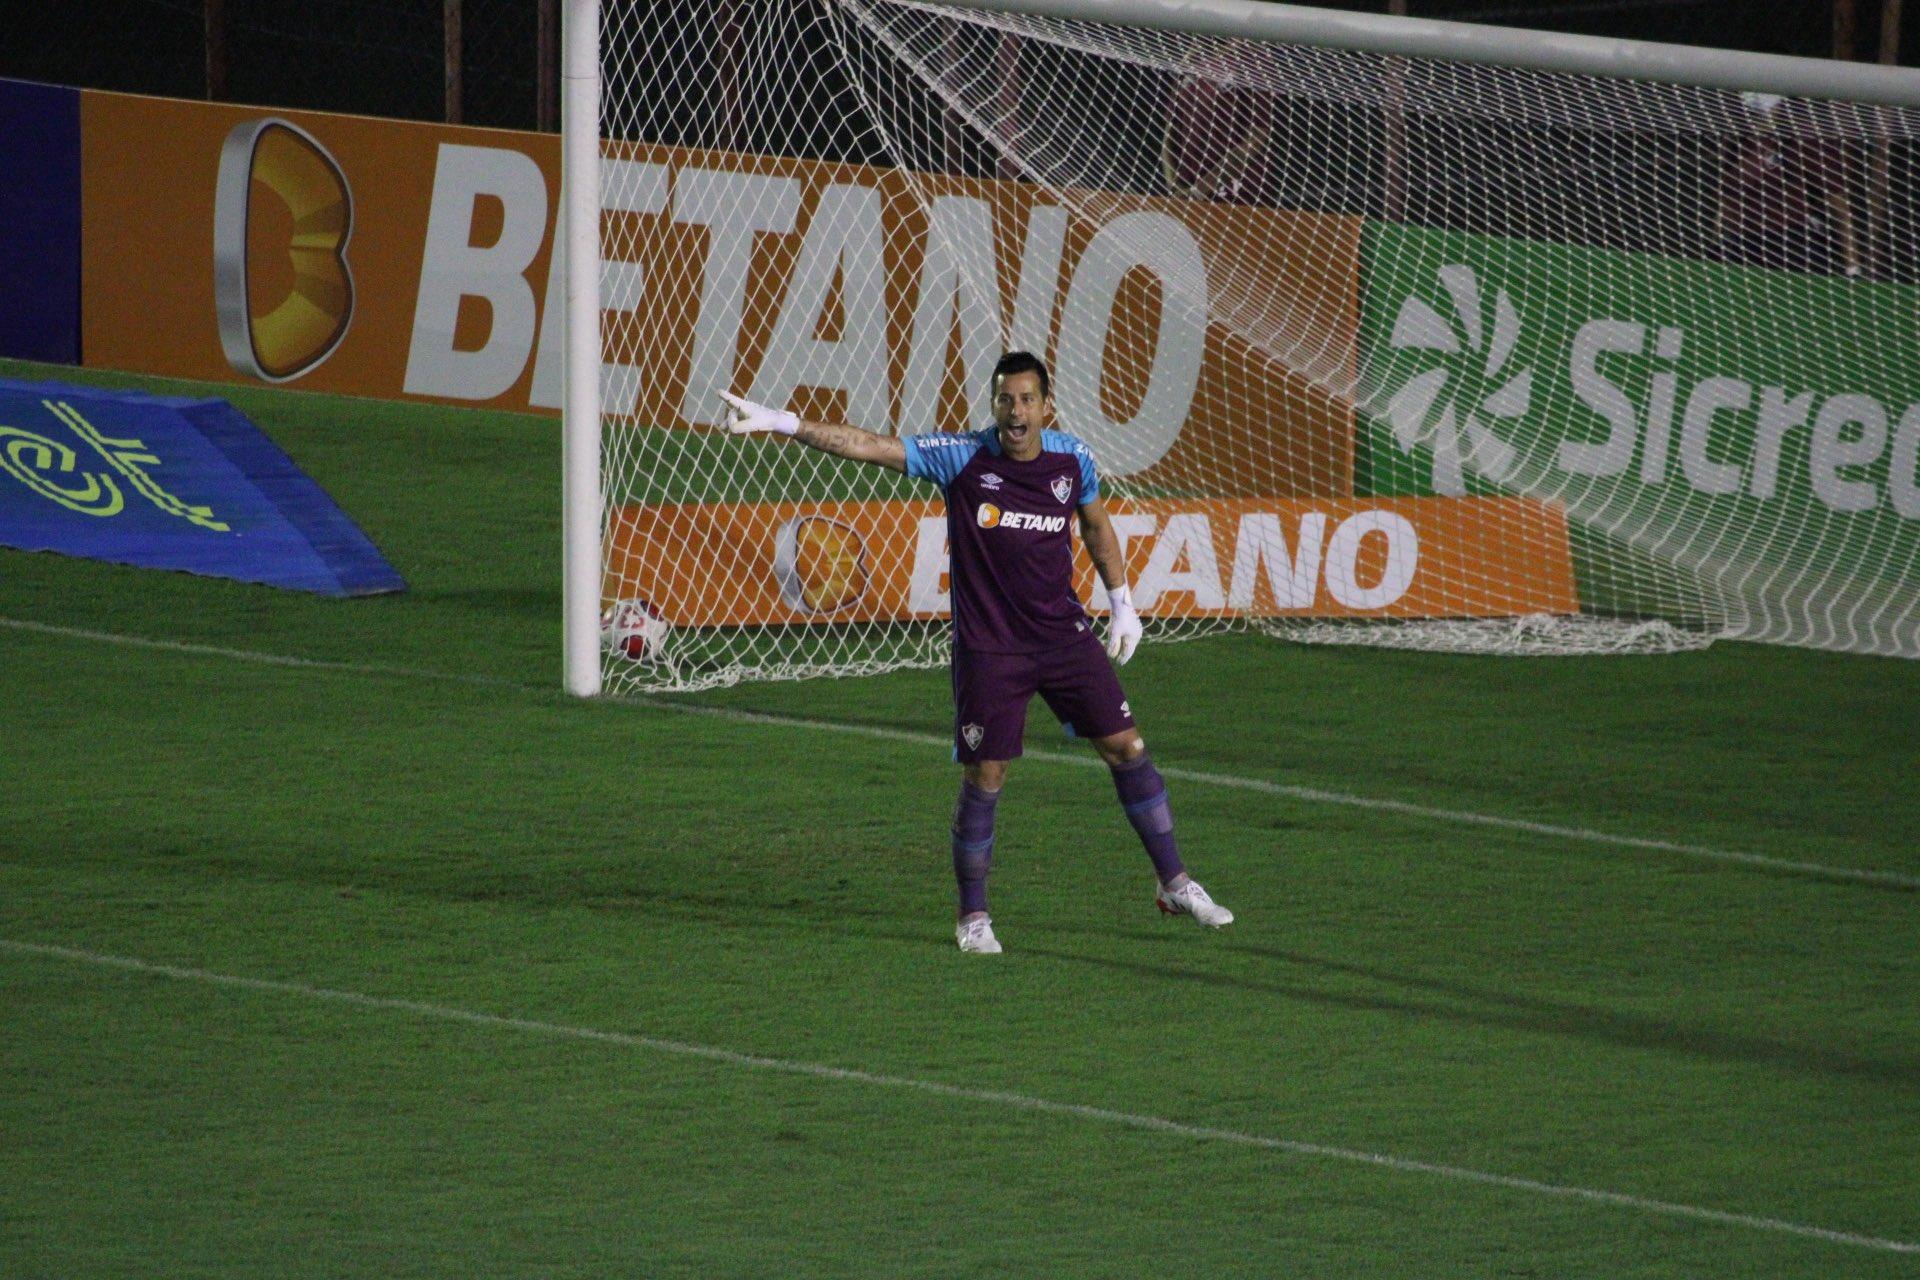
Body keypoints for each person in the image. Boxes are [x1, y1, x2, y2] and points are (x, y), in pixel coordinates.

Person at [721, 352, 1233, 954]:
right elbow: (869, 446)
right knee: (988, 774)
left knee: (1128, 747)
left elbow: (1095, 525)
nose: (1015, 412)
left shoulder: (1073, 459)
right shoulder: (962, 456)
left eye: (1025, 400)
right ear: (993, 405)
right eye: (1004, 400)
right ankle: (972, 917)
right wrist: (786, 424)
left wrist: (1122, 602)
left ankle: (1174, 883)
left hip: (1062, 636)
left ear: (1047, 406)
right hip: (991, 649)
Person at [1718, 92, 1861, 278]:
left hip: (1791, 244)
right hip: (1742, 242)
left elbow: (1839, 205)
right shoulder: (1738, 143)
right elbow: (1727, 197)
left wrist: (1852, 264)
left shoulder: (1802, 143)